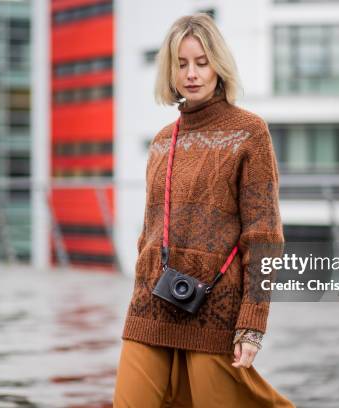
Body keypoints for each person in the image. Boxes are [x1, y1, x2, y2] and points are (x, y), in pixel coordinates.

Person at [113, 13, 295, 407]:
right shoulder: (163, 140)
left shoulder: (249, 132)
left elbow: (264, 234)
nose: (191, 74)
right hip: (152, 304)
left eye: (201, 62)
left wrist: (251, 324)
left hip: (212, 307)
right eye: (181, 64)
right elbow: (149, 232)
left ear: (218, 66)